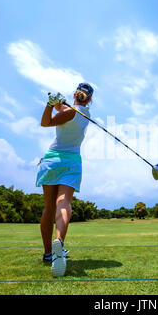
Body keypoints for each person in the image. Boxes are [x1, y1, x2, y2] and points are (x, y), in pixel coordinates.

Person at [36, 83, 93, 277]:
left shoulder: (70, 111)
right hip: (72, 162)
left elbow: (46, 122)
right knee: (64, 202)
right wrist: (58, 103)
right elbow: (66, 109)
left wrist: (49, 104)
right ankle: (59, 241)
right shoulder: (85, 115)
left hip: (52, 160)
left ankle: (48, 253)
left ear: (75, 94)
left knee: (49, 207)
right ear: (90, 99)